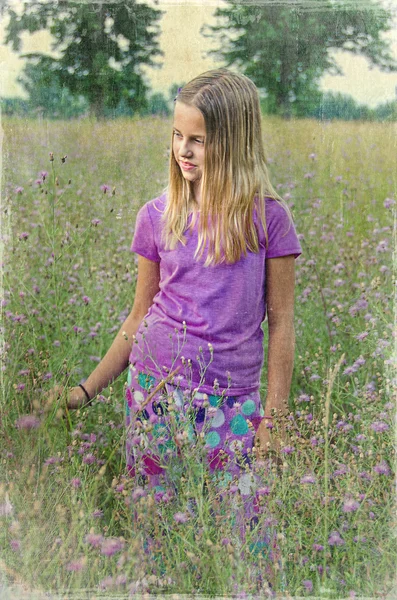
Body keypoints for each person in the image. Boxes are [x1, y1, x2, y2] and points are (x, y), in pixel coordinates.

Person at [49, 68, 302, 594]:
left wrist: (273, 419)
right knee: (159, 543)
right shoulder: (156, 216)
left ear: (232, 143)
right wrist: (84, 391)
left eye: (199, 140)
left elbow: (281, 326)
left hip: (234, 403)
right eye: (177, 135)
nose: (183, 150)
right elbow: (138, 317)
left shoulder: (268, 220)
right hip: (155, 395)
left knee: (248, 545)